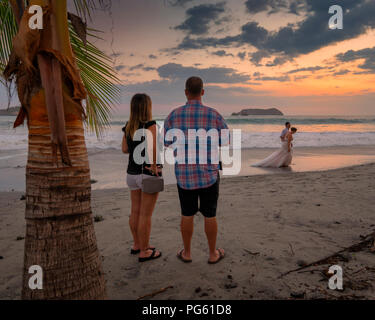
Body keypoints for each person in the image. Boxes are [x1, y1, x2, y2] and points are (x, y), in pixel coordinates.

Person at [164, 77, 228, 264]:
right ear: (202, 92)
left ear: (186, 92)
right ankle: (212, 254)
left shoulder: (174, 115)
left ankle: (188, 253)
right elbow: (225, 140)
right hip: (209, 173)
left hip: (184, 175)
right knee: (210, 214)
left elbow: (167, 142)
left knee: (187, 213)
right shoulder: (213, 114)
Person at [122, 94, 162, 263]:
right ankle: (145, 251)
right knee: (146, 215)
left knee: (135, 212)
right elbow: (152, 148)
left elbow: (124, 149)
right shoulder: (151, 125)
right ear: (148, 107)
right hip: (147, 174)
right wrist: (154, 167)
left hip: (131, 174)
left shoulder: (128, 126)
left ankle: (137, 244)